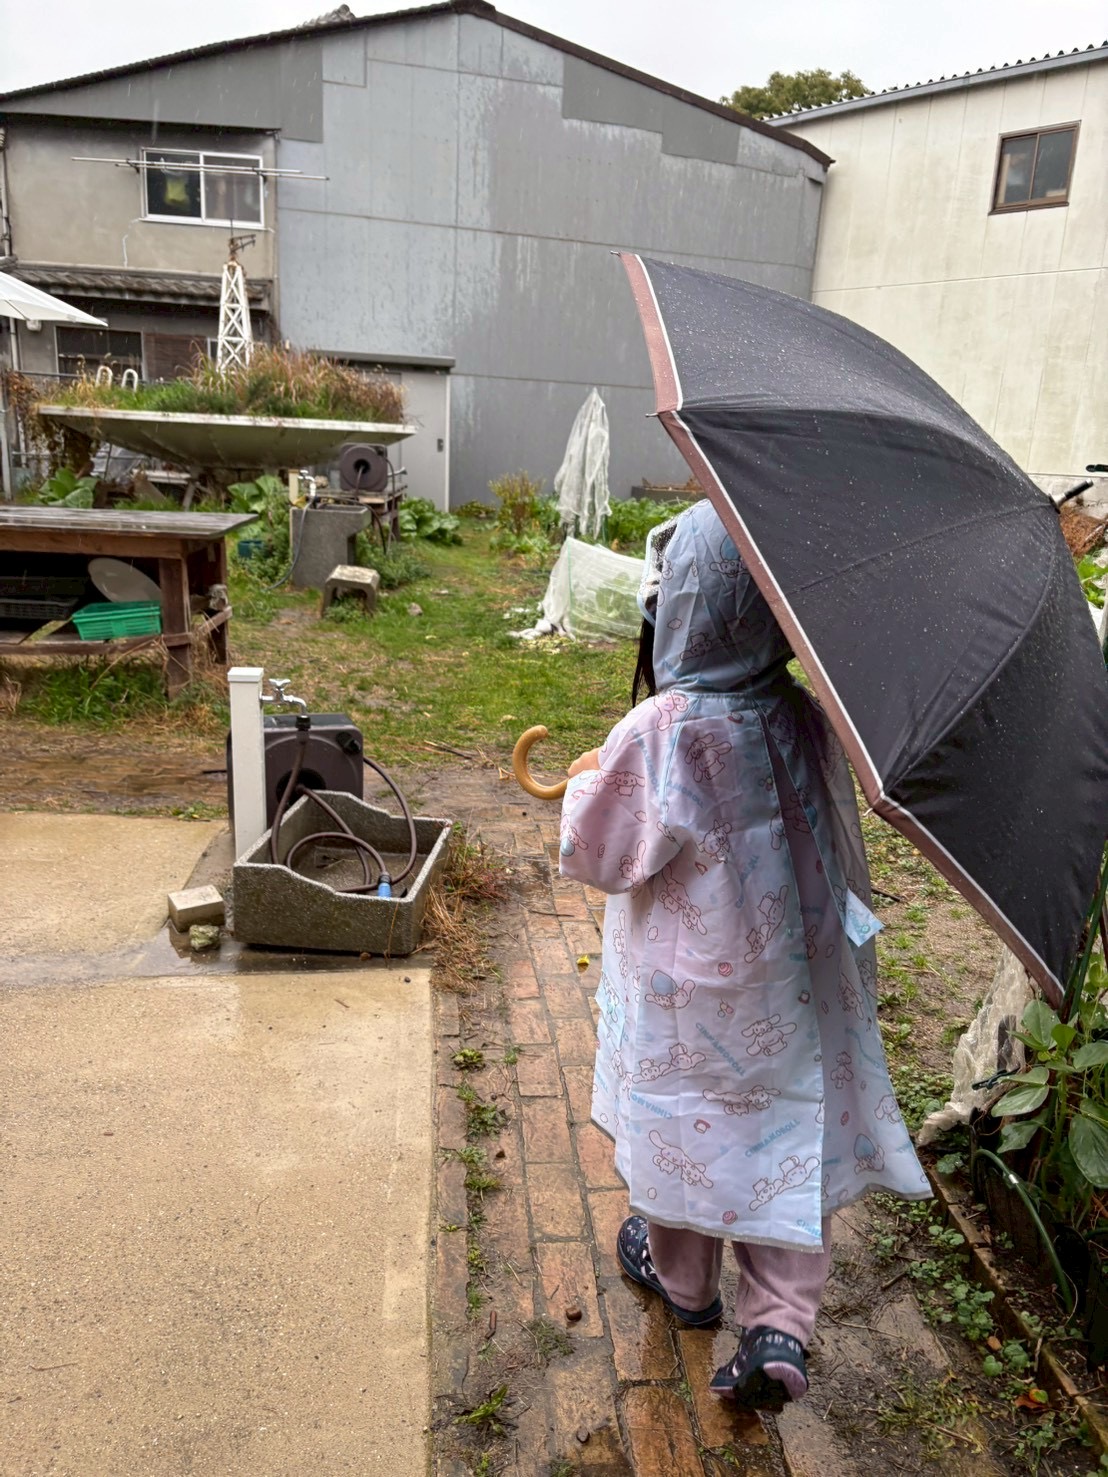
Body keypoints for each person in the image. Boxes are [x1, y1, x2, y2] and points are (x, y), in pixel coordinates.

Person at [558, 499, 928, 1411]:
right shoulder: (801, 714)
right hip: (790, 992)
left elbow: (602, 855)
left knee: (684, 1128)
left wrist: (579, 793)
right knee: (781, 1140)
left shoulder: (664, 729)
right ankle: (780, 1325)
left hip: (687, 1003)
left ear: (678, 602)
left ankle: (683, 1285)